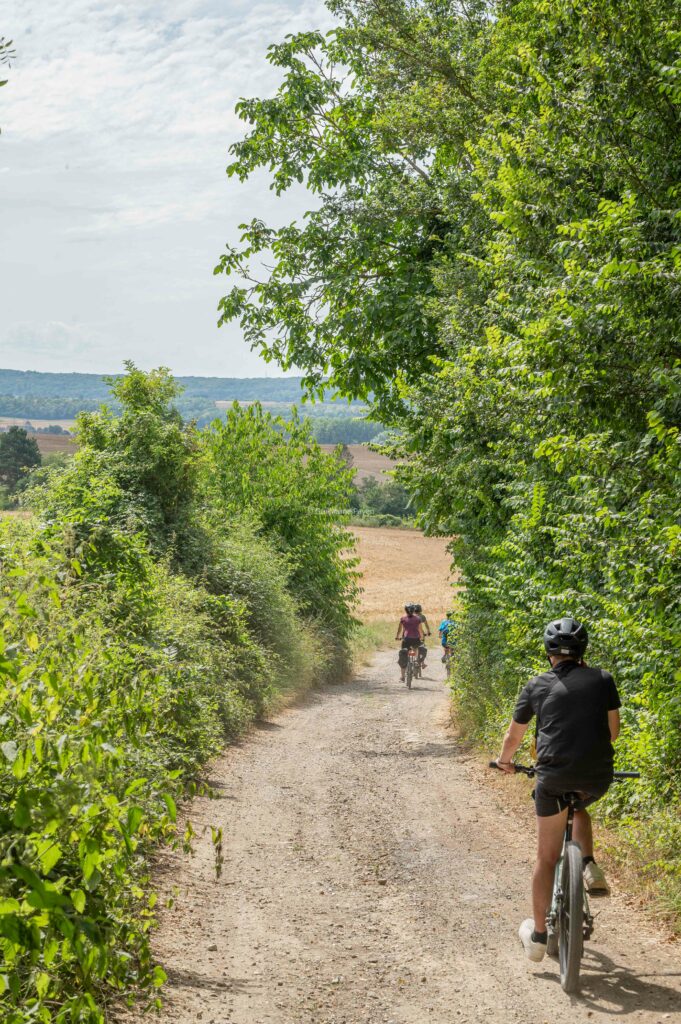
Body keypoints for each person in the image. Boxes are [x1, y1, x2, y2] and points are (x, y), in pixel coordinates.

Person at [494, 616, 621, 962]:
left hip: (552, 779)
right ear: (583, 651)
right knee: (579, 806)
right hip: (596, 777)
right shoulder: (603, 679)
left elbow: (514, 737)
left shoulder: (537, 685)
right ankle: (589, 862)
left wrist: (505, 761)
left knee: (546, 857)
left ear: (549, 651)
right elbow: (613, 732)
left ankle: (537, 937)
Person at [395, 604, 424, 681]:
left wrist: (397, 637)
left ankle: (403, 677)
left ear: (406, 610)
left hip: (406, 639)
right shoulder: (418, 619)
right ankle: (415, 660)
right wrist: (422, 637)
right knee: (415, 649)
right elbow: (420, 630)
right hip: (416, 639)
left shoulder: (403, 618)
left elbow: (399, 630)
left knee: (404, 656)